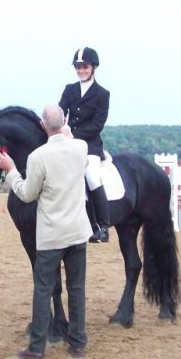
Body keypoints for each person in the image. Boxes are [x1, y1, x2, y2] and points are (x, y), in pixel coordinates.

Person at [0, 105, 91, 359]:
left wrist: (11, 170)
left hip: (52, 234)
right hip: (77, 231)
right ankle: (78, 343)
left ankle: (37, 348)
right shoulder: (81, 148)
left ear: (42, 126)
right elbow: (74, 148)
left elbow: (27, 194)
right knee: (77, 287)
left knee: (43, 289)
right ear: (64, 123)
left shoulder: (37, 157)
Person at [59, 47, 111, 243]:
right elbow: (61, 111)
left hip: (90, 145)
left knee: (92, 177)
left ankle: (102, 227)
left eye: (84, 67)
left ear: (93, 67)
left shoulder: (102, 94)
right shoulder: (69, 89)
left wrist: (72, 135)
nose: (81, 70)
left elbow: (97, 125)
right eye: (78, 67)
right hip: (67, 143)